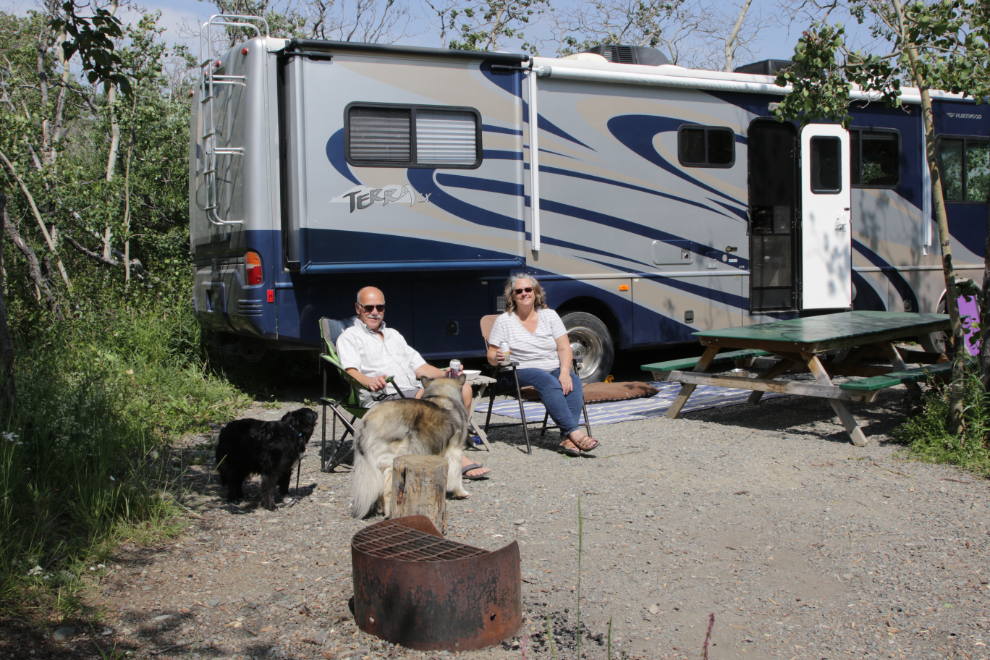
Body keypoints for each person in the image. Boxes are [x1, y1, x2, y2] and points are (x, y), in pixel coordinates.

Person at [336, 286, 491, 479]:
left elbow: (421, 368)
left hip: (411, 391)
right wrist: (368, 380)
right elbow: (350, 370)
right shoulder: (350, 336)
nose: (375, 312)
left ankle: (451, 447)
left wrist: (446, 373)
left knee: (464, 389)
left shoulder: (394, 335)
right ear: (358, 308)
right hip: (384, 396)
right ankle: (454, 457)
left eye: (380, 307)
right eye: (368, 308)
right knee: (428, 400)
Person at [486, 274, 600, 456]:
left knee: (573, 381)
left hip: (551, 369)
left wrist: (564, 372)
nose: (524, 293)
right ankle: (575, 433)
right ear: (512, 296)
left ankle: (566, 439)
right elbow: (491, 355)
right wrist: (497, 357)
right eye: (519, 291)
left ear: (536, 292)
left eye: (528, 289)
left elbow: (564, 348)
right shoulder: (504, 320)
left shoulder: (550, 316)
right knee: (546, 380)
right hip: (514, 373)